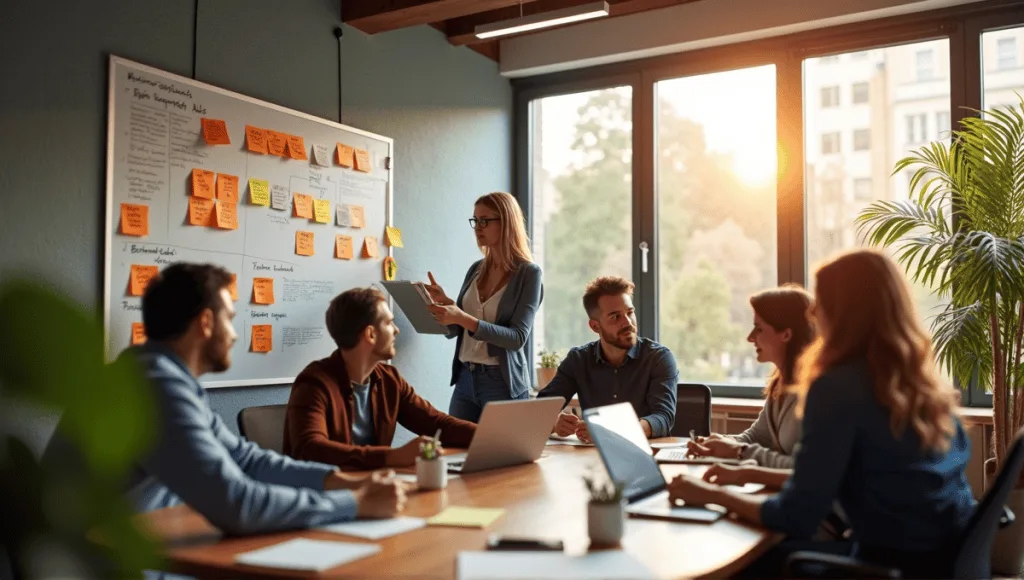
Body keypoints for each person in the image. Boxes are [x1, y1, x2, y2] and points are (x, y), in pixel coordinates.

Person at [667, 249, 974, 578]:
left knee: (734, 559)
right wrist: (744, 473)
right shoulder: (917, 380)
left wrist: (712, 495)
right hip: (937, 558)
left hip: (884, 564)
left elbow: (795, 516)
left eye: (821, 301)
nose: (812, 311)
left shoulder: (837, 387)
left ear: (844, 312)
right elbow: (826, 477)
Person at [123, 263, 406, 536]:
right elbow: (236, 503)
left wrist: (347, 482)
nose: (235, 335)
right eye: (231, 320)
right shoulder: (154, 389)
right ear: (206, 323)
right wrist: (355, 503)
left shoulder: (166, 380)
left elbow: (247, 460)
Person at [284, 287, 477, 469]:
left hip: (375, 487)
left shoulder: (389, 379)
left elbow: (436, 423)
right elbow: (310, 449)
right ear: (370, 334)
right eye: (388, 322)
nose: (396, 330)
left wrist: (490, 436)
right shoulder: (314, 383)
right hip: (325, 497)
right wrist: (392, 456)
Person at [422, 191, 543, 423]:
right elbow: (456, 330)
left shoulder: (529, 273)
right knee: (456, 454)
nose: (478, 227)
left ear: (506, 222)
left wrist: (462, 317)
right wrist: (442, 306)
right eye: (475, 221)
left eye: (485, 221)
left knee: (504, 458)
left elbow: (517, 338)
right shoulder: (475, 269)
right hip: (465, 379)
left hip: (501, 383)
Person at [686, 285, 815, 468]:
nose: (750, 337)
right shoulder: (780, 382)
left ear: (786, 334)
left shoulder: (815, 391)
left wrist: (738, 452)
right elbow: (757, 437)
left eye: (759, 329)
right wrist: (719, 442)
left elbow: (804, 470)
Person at [538, 276, 678, 442]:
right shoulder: (578, 360)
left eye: (630, 312)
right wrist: (554, 423)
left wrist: (609, 430)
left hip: (646, 454)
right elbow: (540, 411)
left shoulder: (659, 358)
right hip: (592, 457)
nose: (627, 323)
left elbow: (663, 419)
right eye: (615, 317)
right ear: (595, 326)